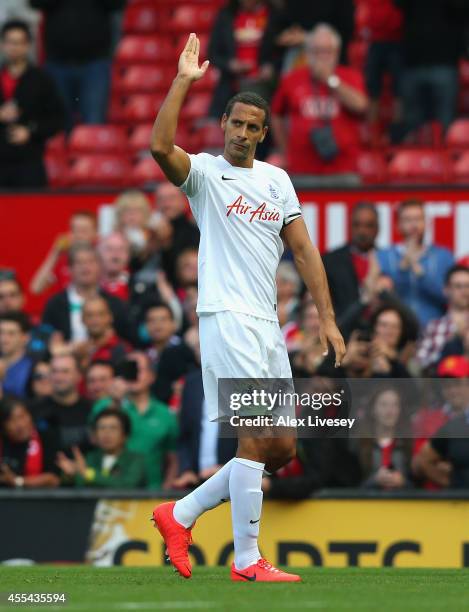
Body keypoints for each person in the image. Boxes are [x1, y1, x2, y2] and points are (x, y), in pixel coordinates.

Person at [149, 33, 345, 582]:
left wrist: (326, 317)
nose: (240, 133)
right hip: (226, 316)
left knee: (281, 446)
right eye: (233, 123)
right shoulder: (207, 176)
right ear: (224, 126)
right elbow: (160, 148)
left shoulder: (277, 181)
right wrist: (183, 82)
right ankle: (247, 560)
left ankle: (180, 513)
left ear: (262, 133)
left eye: (250, 127)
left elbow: (304, 251)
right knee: (255, 437)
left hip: (266, 324)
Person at [270, 24, 368, 183]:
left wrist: (330, 80)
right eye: (317, 51)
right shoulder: (292, 79)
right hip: (302, 170)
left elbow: (361, 106)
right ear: (308, 53)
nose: (323, 56)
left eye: (327, 51)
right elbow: (276, 114)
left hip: (343, 169)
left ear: (337, 53)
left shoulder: (350, 76)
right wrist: (284, 150)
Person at [30, 0, 126, 130]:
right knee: (58, 125)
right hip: (57, 63)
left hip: (95, 63)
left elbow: (117, 4)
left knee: (93, 125)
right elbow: (35, 3)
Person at [90, 352, 179, 491]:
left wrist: (166, 489)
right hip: (109, 490)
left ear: (151, 376)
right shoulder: (104, 405)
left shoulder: (165, 414)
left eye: (139, 369)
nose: (134, 374)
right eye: (129, 368)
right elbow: (93, 441)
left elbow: (173, 457)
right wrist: (115, 401)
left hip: (152, 493)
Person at [0, 19, 64, 188]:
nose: (14, 47)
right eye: (10, 42)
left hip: (29, 163)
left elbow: (57, 119)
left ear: (28, 45)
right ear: (2, 44)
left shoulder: (42, 80)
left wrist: (30, 131)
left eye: (19, 42)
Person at [395, 0, 469, 138]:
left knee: (447, 127)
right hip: (413, 62)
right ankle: (414, 159)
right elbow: (397, 4)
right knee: (413, 128)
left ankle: (445, 159)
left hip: (445, 63)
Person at [377, 200, 454, 328]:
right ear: (398, 225)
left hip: (433, 329)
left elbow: (449, 296)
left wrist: (419, 272)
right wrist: (402, 269)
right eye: (408, 220)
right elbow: (380, 296)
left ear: (426, 223)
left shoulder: (443, 256)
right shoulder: (384, 256)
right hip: (397, 331)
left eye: (418, 219)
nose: (414, 225)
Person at [42, 242, 131, 343]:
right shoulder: (55, 304)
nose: (85, 267)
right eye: (79, 262)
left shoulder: (115, 304)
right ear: (70, 269)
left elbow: (127, 342)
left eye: (90, 262)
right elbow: (44, 341)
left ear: (99, 267)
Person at [208, 0, 275, 118]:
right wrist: (230, 64)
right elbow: (212, 53)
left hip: (265, 86)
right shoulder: (226, 16)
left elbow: (281, 49)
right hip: (231, 85)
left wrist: (271, 66)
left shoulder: (273, 14)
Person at [56, 407, 147, 489]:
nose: (106, 433)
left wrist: (88, 474)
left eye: (113, 428)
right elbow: (79, 485)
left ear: (125, 435)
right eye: (102, 428)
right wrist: (71, 475)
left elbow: (127, 485)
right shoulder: (90, 458)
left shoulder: (136, 460)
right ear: (95, 435)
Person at [323, 202, 379, 319]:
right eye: (357, 225)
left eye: (369, 225)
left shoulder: (387, 261)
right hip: (342, 327)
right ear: (350, 226)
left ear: (377, 228)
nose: (362, 231)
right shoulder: (331, 261)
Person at [30, 354, 91, 453]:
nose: (58, 377)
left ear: (79, 376)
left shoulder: (91, 409)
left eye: (65, 371)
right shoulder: (34, 409)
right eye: (54, 371)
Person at [30, 211, 97, 296]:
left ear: (95, 233)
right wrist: (55, 253)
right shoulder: (62, 261)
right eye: (74, 230)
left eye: (83, 231)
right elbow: (36, 288)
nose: (78, 235)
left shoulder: (101, 260)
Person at [357, 386, 412, 489]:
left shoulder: (408, 444)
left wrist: (403, 482)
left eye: (395, 405)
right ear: (373, 409)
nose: (389, 410)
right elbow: (349, 487)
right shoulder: (358, 445)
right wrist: (374, 481)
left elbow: (418, 487)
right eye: (384, 405)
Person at [417, 265, 469, 372]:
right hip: (443, 383)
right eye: (458, 286)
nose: (465, 291)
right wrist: (450, 346)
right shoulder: (433, 326)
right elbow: (420, 363)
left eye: (468, 286)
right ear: (446, 290)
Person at [0, 396, 60, 488]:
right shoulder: (3, 442)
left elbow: (53, 479)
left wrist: (17, 481)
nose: (20, 425)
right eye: (12, 420)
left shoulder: (46, 438)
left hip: (36, 500)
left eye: (22, 416)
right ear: (3, 427)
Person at [74, 296, 131, 370]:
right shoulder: (79, 352)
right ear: (82, 319)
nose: (95, 320)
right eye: (89, 315)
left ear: (110, 317)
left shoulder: (123, 350)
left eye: (100, 314)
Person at [0, 312, 34, 398]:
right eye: (1, 332)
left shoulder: (33, 367)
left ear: (25, 338)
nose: (3, 339)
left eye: (11, 334)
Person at [98, 232, 131, 302]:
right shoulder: (89, 284)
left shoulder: (136, 287)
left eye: (121, 249)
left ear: (128, 255)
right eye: (109, 249)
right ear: (99, 253)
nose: (115, 255)